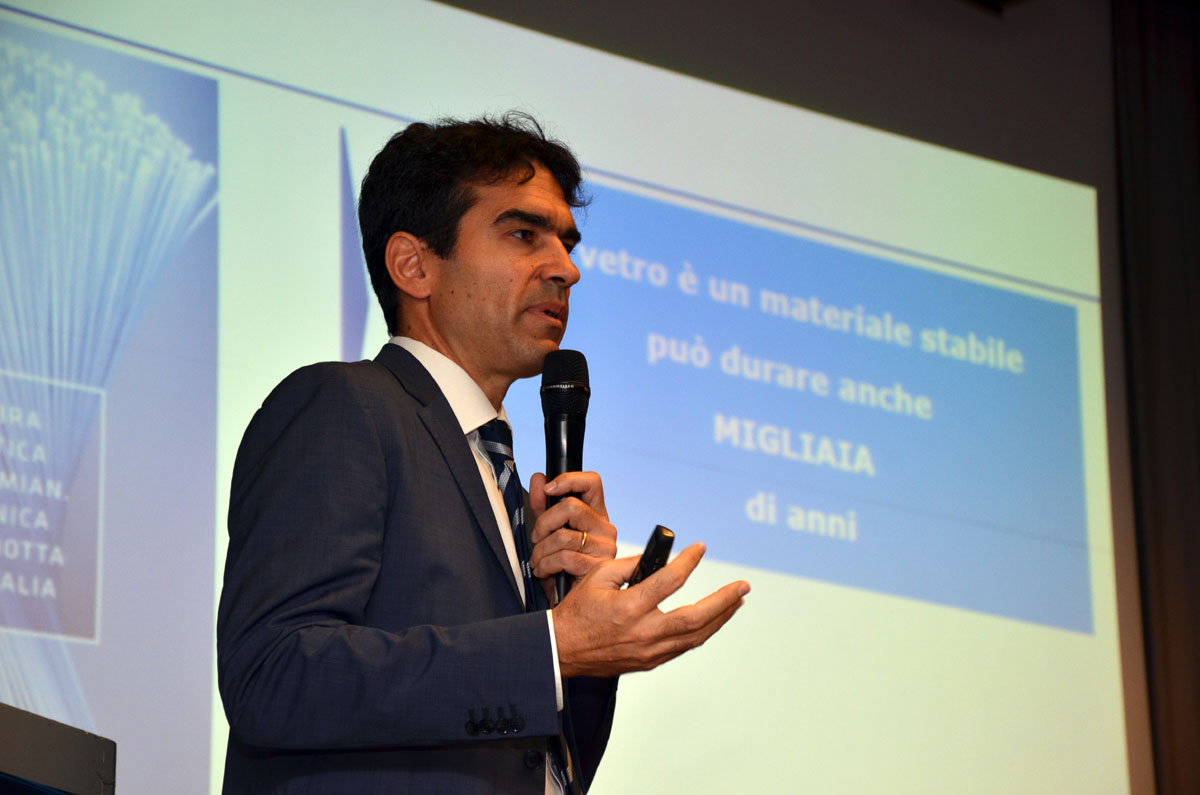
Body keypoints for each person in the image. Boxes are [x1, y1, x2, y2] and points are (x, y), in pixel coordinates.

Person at [216, 113, 750, 794]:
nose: (567, 269)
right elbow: (273, 674)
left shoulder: (512, 492)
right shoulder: (346, 407)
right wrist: (553, 645)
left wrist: (577, 628)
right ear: (414, 265)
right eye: (524, 235)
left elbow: (547, 766)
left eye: (567, 243)